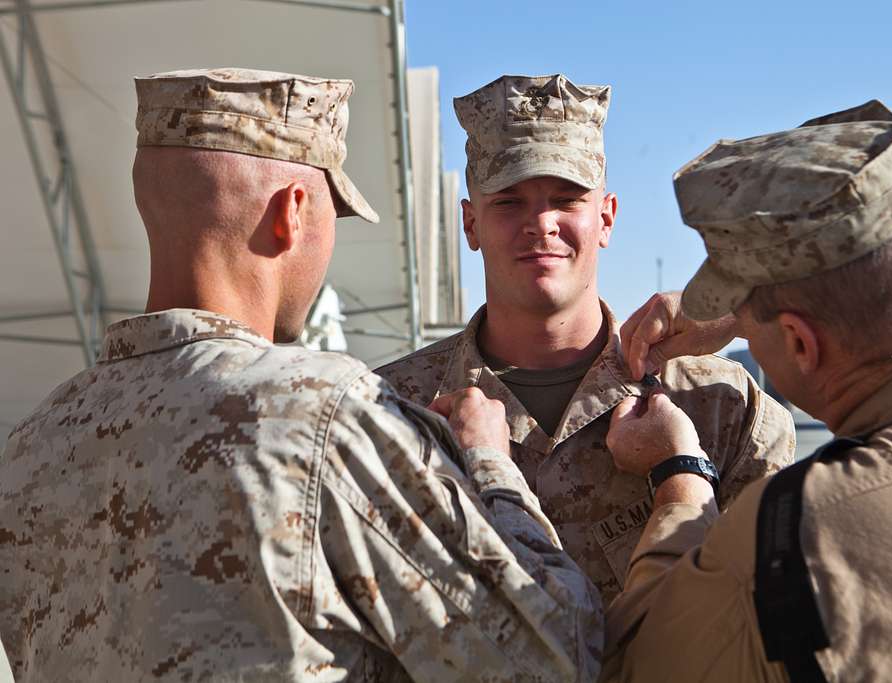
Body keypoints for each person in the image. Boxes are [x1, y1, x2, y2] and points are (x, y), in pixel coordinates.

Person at [0, 68, 602, 682]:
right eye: (332, 215)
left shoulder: (32, 446)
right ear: (291, 212)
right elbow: (551, 657)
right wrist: (490, 466)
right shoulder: (323, 412)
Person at [601, 100, 892, 681]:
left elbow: (639, 662)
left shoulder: (798, 532)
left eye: (747, 320)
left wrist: (680, 477)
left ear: (801, 345)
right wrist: (753, 312)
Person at [377, 74, 795, 605]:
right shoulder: (394, 410)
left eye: (567, 199)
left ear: (606, 218)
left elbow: (766, 621)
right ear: (470, 223)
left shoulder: (720, 405)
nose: (541, 223)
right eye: (508, 202)